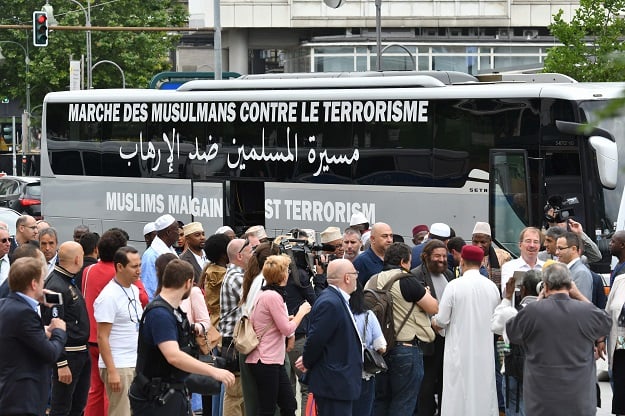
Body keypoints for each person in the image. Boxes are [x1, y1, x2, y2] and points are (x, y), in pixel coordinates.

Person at [129, 259, 235, 415]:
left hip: (171, 393)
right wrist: (213, 371)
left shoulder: (173, 311)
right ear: (188, 283)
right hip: (156, 397)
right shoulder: (160, 314)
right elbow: (173, 356)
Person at [506, 262, 611, 416]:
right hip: (579, 400)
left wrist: (537, 301)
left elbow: (512, 332)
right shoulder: (585, 311)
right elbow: (606, 322)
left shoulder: (532, 312)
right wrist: (579, 295)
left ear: (545, 286)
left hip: (541, 401)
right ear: (570, 285)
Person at [367, 242, 438, 415]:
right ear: (404, 261)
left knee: (380, 401)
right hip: (405, 349)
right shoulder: (406, 280)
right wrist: (426, 293)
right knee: (404, 402)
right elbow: (433, 308)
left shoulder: (372, 280)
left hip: (378, 351)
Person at [431, 245, 501, 416]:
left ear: (462, 261)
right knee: (484, 394)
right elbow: (497, 320)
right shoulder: (492, 287)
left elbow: (441, 320)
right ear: (481, 262)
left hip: (458, 353)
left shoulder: (454, 286)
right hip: (483, 353)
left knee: (457, 396)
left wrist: (433, 321)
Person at [0, 257, 67, 415]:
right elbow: (50, 354)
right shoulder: (24, 313)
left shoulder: (5, 304)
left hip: (11, 393)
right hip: (23, 398)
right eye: (42, 281)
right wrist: (59, 331)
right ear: (34, 284)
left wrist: (43, 328)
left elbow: (17, 334)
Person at [295, 259, 362, 416]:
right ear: (347, 278)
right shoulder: (331, 302)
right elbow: (316, 339)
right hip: (334, 383)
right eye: (355, 274)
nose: (356, 278)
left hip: (338, 382)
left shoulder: (335, 300)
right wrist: (307, 361)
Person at [246, 255, 312, 416]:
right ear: (282, 275)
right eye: (287, 270)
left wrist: (288, 319)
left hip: (270, 359)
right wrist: (301, 313)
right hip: (266, 359)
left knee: (288, 404)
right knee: (268, 407)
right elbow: (287, 329)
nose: (289, 273)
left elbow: (272, 322)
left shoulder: (267, 293)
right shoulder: (273, 296)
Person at [82, 228, 128, 416]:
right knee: (113, 391)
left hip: (91, 336)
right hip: (111, 340)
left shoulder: (89, 270)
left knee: (95, 390)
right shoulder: (119, 274)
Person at [94, 246, 145, 416]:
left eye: (139, 265)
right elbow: (102, 337)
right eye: (134, 266)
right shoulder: (109, 296)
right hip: (119, 364)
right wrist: (112, 371)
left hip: (133, 362)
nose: (138, 271)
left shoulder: (133, 289)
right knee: (120, 412)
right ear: (120, 267)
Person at [43, 241, 91, 416]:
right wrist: (61, 362)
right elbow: (54, 324)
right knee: (61, 408)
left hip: (80, 353)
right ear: (78, 259)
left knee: (77, 406)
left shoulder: (67, 280)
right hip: (68, 356)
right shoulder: (55, 286)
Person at [411, 239, 454, 416]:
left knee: (447, 380)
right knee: (427, 382)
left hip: (449, 338)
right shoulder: (415, 276)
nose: (441, 260)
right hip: (427, 339)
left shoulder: (450, 275)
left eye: (444, 256)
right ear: (425, 257)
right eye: (437, 256)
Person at [490, 270, 541, 416]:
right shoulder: (550, 312)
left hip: (514, 371)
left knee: (515, 408)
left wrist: (507, 297)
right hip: (541, 371)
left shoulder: (511, 313)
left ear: (523, 289)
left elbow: (495, 325)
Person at [220, 236, 260, 416]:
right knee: (235, 393)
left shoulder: (238, 275)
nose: (253, 255)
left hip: (235, 340)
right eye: (250, 251)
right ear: (239, 256)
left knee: (241, 392)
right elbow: (254, 301)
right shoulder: (236, 278)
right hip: (233, 342)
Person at [350, 280, 387, 416]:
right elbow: (381, 346)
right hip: (364, 373)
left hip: (342, 374)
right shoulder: (368, 315)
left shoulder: (339, 312)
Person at [141, 214, 179, 300]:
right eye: (176, 229)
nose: (179, 232)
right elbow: (150, 290)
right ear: (168, 232)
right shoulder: (150, 256)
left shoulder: (171, 250)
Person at [606, 256, 625, 415]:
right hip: (621, 345)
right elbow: (608, 313)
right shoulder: (620, 281)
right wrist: (599, 339)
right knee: (621, 392)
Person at [500, 227, 544, 294]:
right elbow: (505, 293)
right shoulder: (509, 267)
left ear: (540, 246)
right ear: (520, 245)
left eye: (535, 242)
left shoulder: (547, 267)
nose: (532, 245)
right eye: (528, 241)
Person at [202, 232, 231, 331]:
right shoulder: (224, 274)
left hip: (212, 321)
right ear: (224, 254)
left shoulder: (209, 269)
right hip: (223, 322)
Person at [556, 231, 593, 301]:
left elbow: (581, 305)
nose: (556, 252)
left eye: (560, 248)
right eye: (556, 248)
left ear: (573, 249)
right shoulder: (571, 270)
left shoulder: (581, 273)